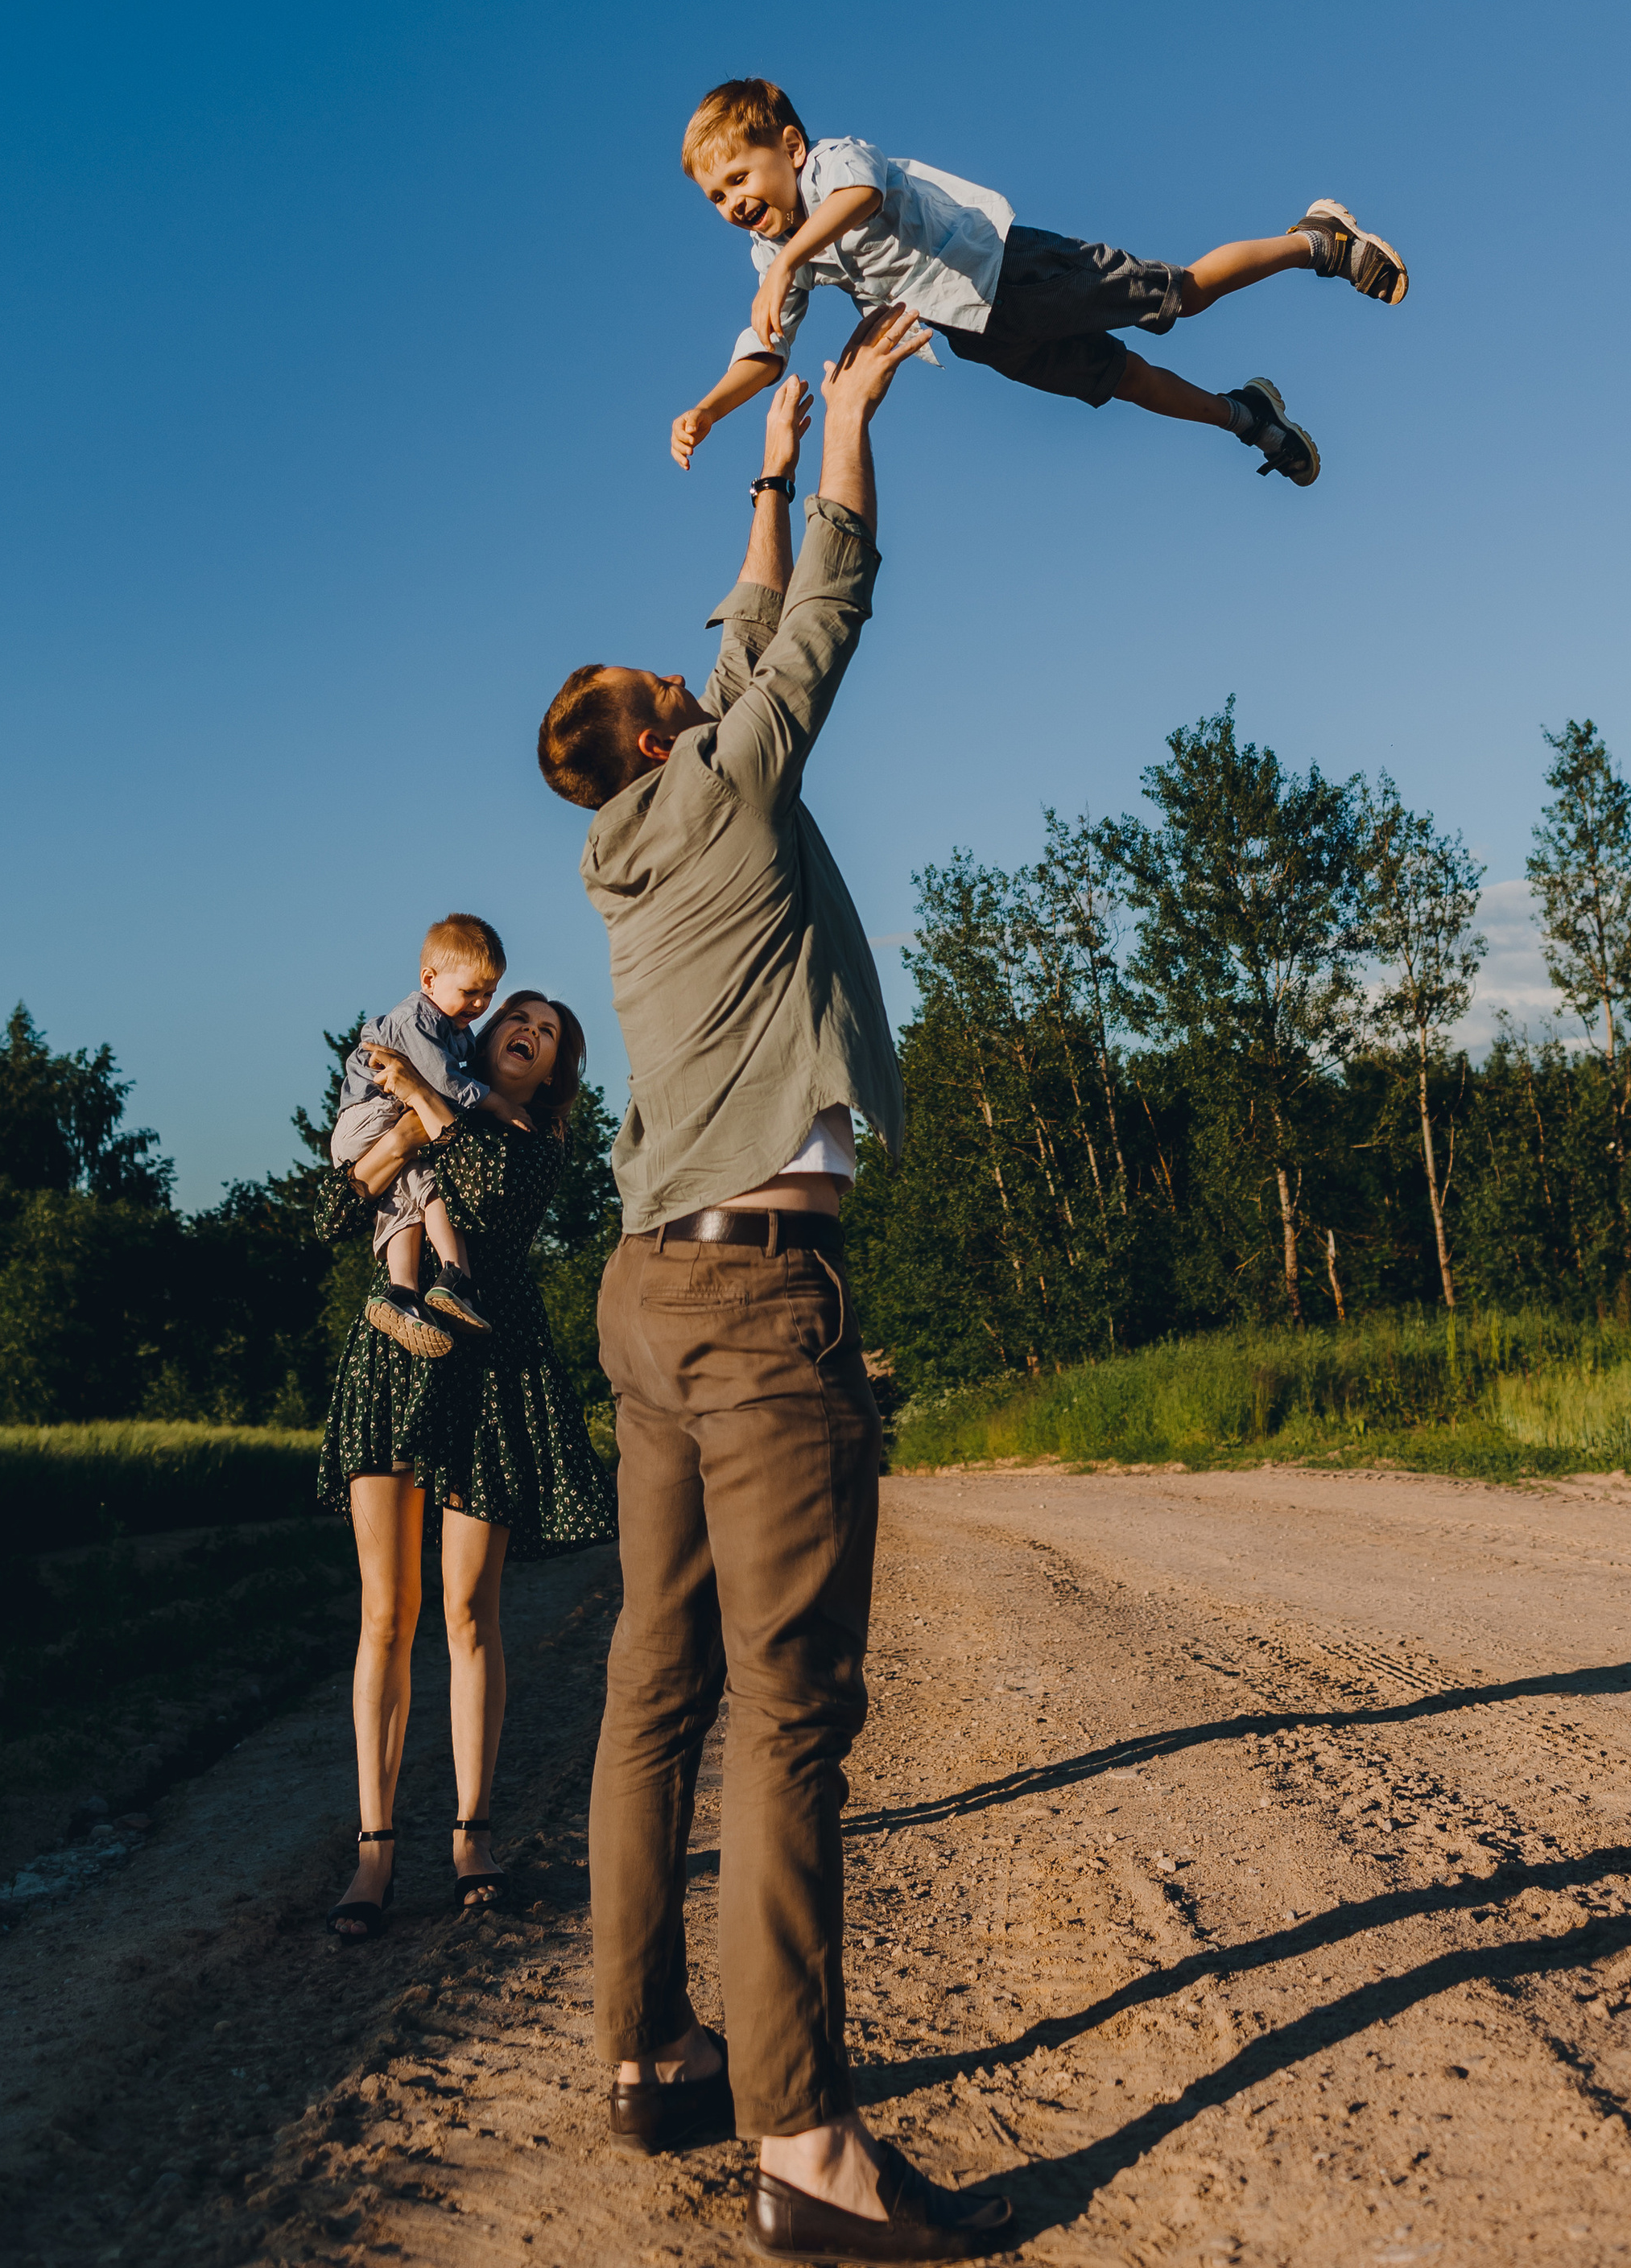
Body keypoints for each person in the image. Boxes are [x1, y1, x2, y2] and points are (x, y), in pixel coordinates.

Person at [539, 315, 1012, 2259]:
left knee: (651, 1676)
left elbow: (736, 634)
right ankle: (803, 2143)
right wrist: (854, 432)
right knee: (787, 1712)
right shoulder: (726, 797)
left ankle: (648, 2050)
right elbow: (823, 609)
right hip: (751, 1301)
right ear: (659, 736)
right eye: (671, 682)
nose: (694, 660)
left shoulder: (621, 844)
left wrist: (771, 433)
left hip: (641, 1288)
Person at [668, 73, 1412, 492]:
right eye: (715, 198)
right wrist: (708, 408)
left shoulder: (833, 165)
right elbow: (764, 351)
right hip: (978, 333)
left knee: (1181, 296)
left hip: (1011, 270)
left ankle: (1316, 240)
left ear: (790, 148)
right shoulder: (774, 257)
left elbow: (859, 199)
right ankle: (1247, 416)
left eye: (738, 178)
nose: (733, 203)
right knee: (1126, 382)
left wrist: (795, 257)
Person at [316, 989, 619, 1938]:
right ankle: (374, 1854)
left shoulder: (533, 1138)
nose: (526, 1033)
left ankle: (471, 1840)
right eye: (516, 1021)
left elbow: (489, 1192)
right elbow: (332, 1208)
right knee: (384, 1612)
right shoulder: (423, 1096)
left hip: (492, 1364)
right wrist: (404, 1123)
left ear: (552, 1070)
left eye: (547, 1036)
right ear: (486, 1036)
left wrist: (419, 1118)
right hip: (395, 1354)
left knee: (467, 1613)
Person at [328, 912, 505, 1355]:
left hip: (371, 1124)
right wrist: (500, 1103)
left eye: (489, 994)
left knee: (408, 1198)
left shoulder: (455, 1027)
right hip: (370, 1116)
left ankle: (403, 1291)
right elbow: (445, 1083)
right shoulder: (415, 1021)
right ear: (429, 979)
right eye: (470, 992)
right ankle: (455, 1275)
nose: (480, 1005)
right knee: (430, 1185)